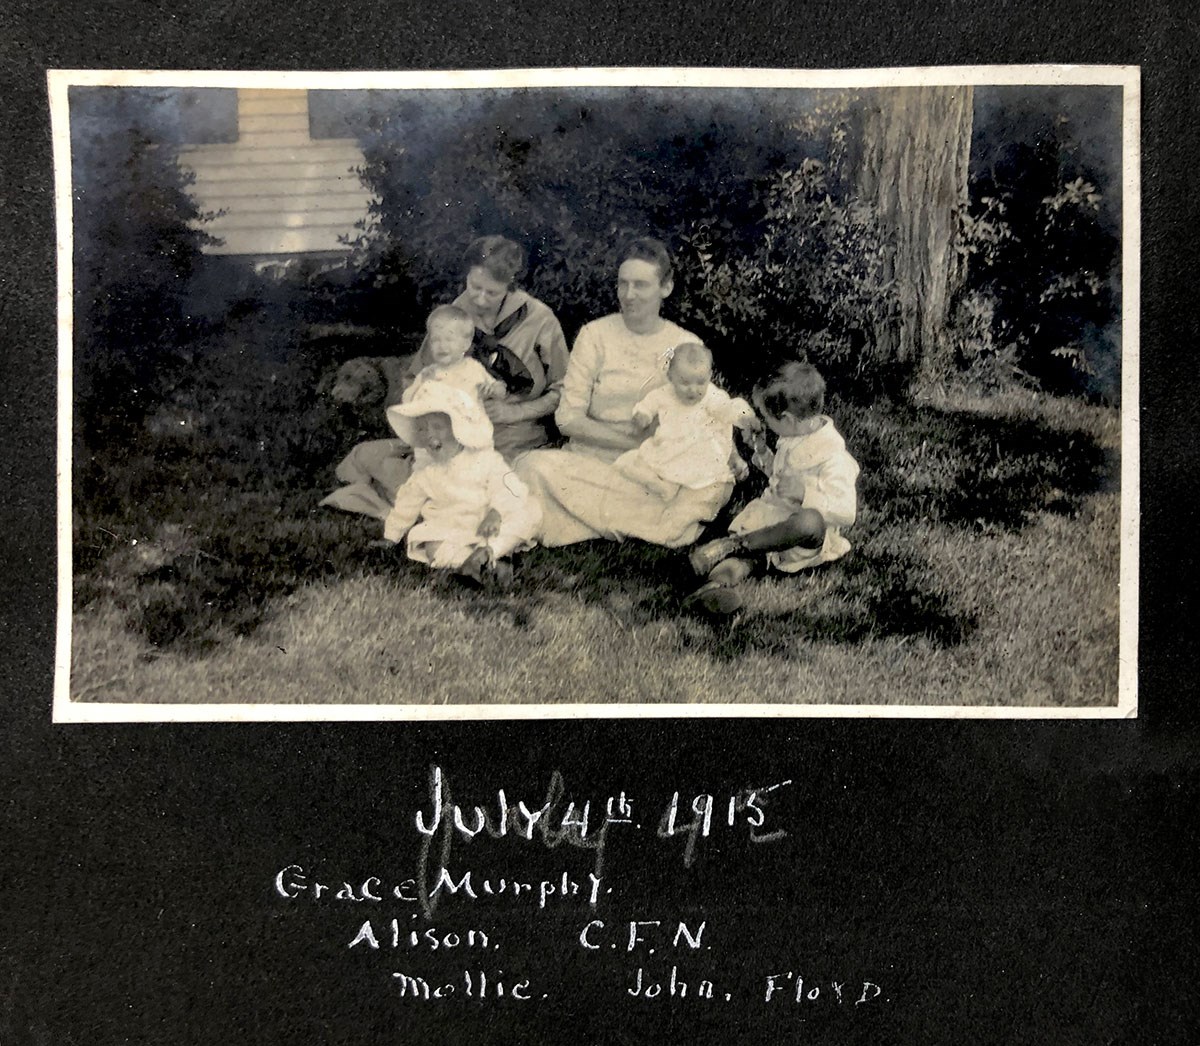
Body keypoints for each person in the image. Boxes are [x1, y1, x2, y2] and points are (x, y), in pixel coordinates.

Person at [322, 235, 569, 519]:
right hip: (453, 438)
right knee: (376, 460)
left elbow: (563, 390)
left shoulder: (540, 320)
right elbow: (416, 376)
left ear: (512, 287)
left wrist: (514, 412)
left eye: (492, 293)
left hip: (515, 439)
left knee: (493, 490)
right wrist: (433, 413)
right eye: (474, 287)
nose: (479, 299)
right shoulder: (456, 313)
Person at [515, 238, 734, 548]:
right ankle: (645, 525)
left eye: (641, 285)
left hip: (654, 470)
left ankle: (576, 518)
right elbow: (567, 419)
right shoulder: (595, 335)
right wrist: (631, 440)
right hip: (592, 463)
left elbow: (708, 415)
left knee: (701, 488)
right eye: (623, 284)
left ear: (666, 287)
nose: (629, 295)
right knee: (531, 468)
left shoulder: (685, 345)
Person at [685, 361, 860, 614]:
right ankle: (714, 588)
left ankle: (733, 544)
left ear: (787, 419)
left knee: (810, 521)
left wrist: (804, 493)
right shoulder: (793, 437)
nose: (765, 423)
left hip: (799, 539)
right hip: (769, 529)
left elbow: (846, 510)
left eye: (767, 418)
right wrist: (762, 451)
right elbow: (779, 481)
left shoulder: (833, 456)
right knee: (743, 563)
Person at [380, 383, 541, 587]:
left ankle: (490, 552)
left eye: (437, 426)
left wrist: (496, 513)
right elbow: (405, 506)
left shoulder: (486, 459)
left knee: (529, 511)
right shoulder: (425, 474)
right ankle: (479, 563)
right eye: (422, 429)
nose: (429, 435)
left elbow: (508, 488)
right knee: (433, 546)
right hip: (451, 526)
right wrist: (391, 536)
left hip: (488, 525)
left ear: (459, 429)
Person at [613, 341, 759, 499]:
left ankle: (677, 488)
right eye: (684, 382)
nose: (693, 389)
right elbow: (649, 404)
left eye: (700, 382)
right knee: (636, 463)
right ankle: (662, 485)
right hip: (670, 446)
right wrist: (643, 416)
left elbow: (726, 408)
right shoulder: (664, 393)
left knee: (700, 482)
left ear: (709, 376)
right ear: (670, 377)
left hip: (699, 450)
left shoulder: (711, 396)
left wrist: (743, 415)